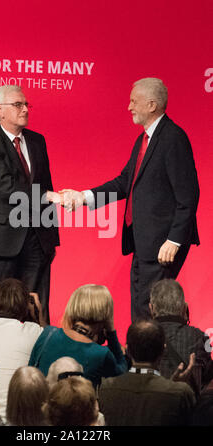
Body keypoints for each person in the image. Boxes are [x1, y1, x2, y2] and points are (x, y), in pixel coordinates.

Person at [56, 78, 199, 320]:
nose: (129, 107)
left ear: (152, 105)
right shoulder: (144, 140)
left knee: (151, 310)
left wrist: (174, 240)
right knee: (142, 307)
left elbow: (188, 195)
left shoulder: (173, 138)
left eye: (134, 101)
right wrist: (83, 197)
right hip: (143, 241)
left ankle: (149, 356)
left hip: (162, 243)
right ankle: (140, 356)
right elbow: (125, 183)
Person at [0, 84, 60, 323]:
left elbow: (46, 183)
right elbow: (5, 188)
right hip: (1, 241)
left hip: (37, 240)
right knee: (4, 310)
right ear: (0, 110)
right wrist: (47, 196)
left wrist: (51, 238)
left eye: (26, 104)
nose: (25, 110)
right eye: (18, 105)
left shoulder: (37, 141)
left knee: (36, 309)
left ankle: (36, 359)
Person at [0, 278, 45, 422]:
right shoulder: (35, 331)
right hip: (19, 420)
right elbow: (49, 337)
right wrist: (38, 315)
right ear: (26, 308)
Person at [98, 319, 196, 426]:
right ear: (163, 351)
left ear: (127, 350)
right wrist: (174, 385)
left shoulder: (105, 388)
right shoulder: (180, 393)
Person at [28, 284, 127, 388]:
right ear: (106, 315)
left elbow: (30, 372)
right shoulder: (101, 354)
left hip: (40, 403)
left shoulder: (48, 333)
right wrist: (111, 332)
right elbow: (122, 373)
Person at [149, 279, 213, 395]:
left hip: (151, 409)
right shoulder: (200, 338)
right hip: (189, 409)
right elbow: (208, 378)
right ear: (185, 308)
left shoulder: (142, 337)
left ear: (151, 309)